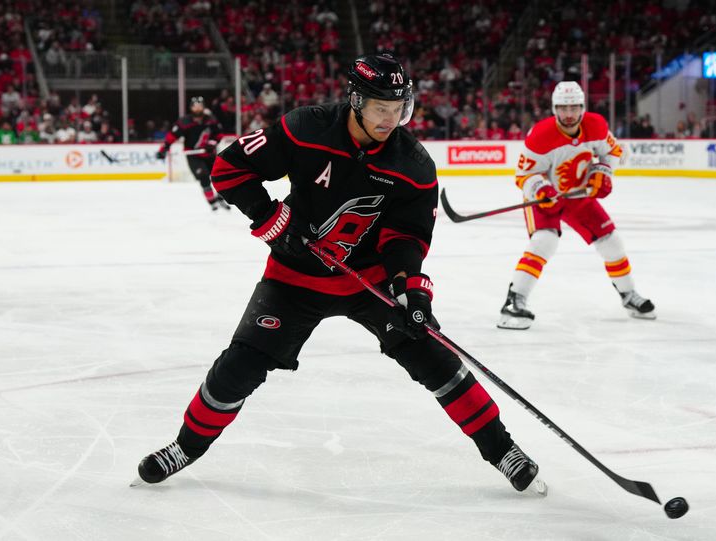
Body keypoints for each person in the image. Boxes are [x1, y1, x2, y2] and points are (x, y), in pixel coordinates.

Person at [136, 53, 547, 495]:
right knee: (240, 366)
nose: (392, 120)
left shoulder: (413, 164)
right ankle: (185, 446)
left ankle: (502, 450)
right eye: (381, 109)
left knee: (435, 358)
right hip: (294, 276)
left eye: (399, 108)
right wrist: (269, 218)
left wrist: (411, 290)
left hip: (366, 281)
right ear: (356, 101)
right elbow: (229, 167)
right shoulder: (305, 128)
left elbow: (406, 237)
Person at [498, 81, 655, 330]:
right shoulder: (540, 136)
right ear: (554, 108)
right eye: (563, 108)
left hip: (577, 194)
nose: (569, 114)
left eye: (574, 107)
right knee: (544, 241)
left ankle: (628, 295)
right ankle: (514, 301)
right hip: (545, 195)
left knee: (612, 242)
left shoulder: (596, 125)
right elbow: (523, 176)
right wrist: (541, 189)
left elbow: (614, 152)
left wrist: (603, 171)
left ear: (582, 107)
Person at [156, 96, 230, 211]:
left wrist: (212, 143)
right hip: (194, 156)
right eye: (195, 106)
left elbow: (219, 134)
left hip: (210, 154)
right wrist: (164, 149)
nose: (198, 108)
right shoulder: (184, 121)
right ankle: (212, 202)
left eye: (200, 106)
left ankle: (221, 198)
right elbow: (172, 136)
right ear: (191, 108)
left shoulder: (211, 119)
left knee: (220, 176)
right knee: (204, 177)